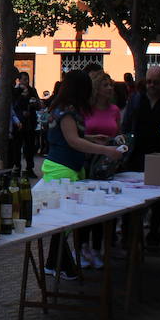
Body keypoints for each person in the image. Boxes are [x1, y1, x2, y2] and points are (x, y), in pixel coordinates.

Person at [41, 71, 127, 278]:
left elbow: (72, 136)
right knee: (64, 221)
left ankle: (55, 263)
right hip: (63, 168)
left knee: (63, 222)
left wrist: (90, 137)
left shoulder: (61, 108)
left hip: (64, 167)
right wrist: (106, 150)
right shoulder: (68, 111)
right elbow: (73, 141)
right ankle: (59, 264)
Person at [121, 65, 160, 172]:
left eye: (156, 82)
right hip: (136, 154)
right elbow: (126, 125)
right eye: (149, 82)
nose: (151, 85)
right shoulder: (136, 100)